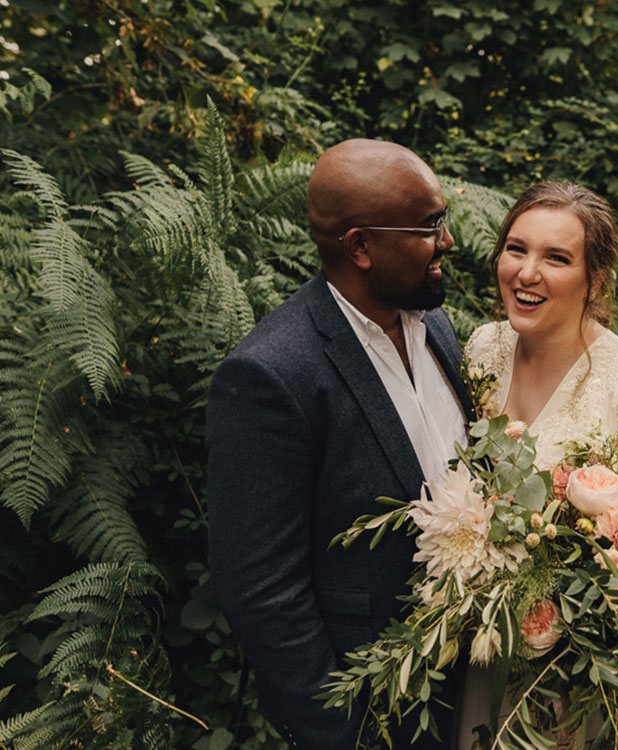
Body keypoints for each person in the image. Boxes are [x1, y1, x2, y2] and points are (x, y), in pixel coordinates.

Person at [206, 139, 475, 750]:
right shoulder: (270, 376)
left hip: (473, 693)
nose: (448, 242)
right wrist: (341, 734)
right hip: (374, 715)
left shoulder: (435, 325)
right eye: (430, 226)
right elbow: (259, 589)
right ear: (360, 246)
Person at [459, 181, 618, 747]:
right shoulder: (481, 350)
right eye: (516, 248)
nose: (525, 272)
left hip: (572, 679)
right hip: (475, 650)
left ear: (597, 280)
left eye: (556, 258)